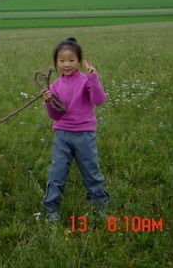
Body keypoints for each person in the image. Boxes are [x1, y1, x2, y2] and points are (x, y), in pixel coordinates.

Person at [40, 37, 110, 223]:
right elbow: (55, 115)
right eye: (61, 61)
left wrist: (94, 78)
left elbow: (100, 99)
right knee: (57, 172)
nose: (66, 64)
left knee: (90, 170)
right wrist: (48, 101)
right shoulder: (54, 86)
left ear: (79, 61)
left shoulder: (86, 81)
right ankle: (51, 207)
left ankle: (99, 204)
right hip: (62, 134)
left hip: (84, 134)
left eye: (71, 60)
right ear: (56, 63)